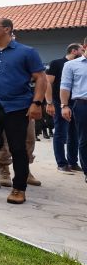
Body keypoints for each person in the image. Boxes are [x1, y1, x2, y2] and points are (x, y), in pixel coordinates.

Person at [0, 18, 46, 204]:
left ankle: (18, 188)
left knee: (18, 148)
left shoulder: (27, 52)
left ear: (7, 29)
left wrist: (36, 103)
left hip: (17, 107)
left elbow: (40, 78)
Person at [46, 43, 85, 173]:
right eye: (81, 49)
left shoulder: (79, 65)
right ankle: (61, 163)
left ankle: (73, 162)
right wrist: (50, 102)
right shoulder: (57, 63)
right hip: (59, 103)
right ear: (74, 51)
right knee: (60, 133)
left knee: (74, 134)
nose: (82, 51)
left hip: (75, 103)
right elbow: (48, 83)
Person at [60, 37, 87, 183]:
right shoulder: (71, 65)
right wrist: (64, 105)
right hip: (82, 104)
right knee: (84, 139)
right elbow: (65, 86)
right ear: (84, 46)